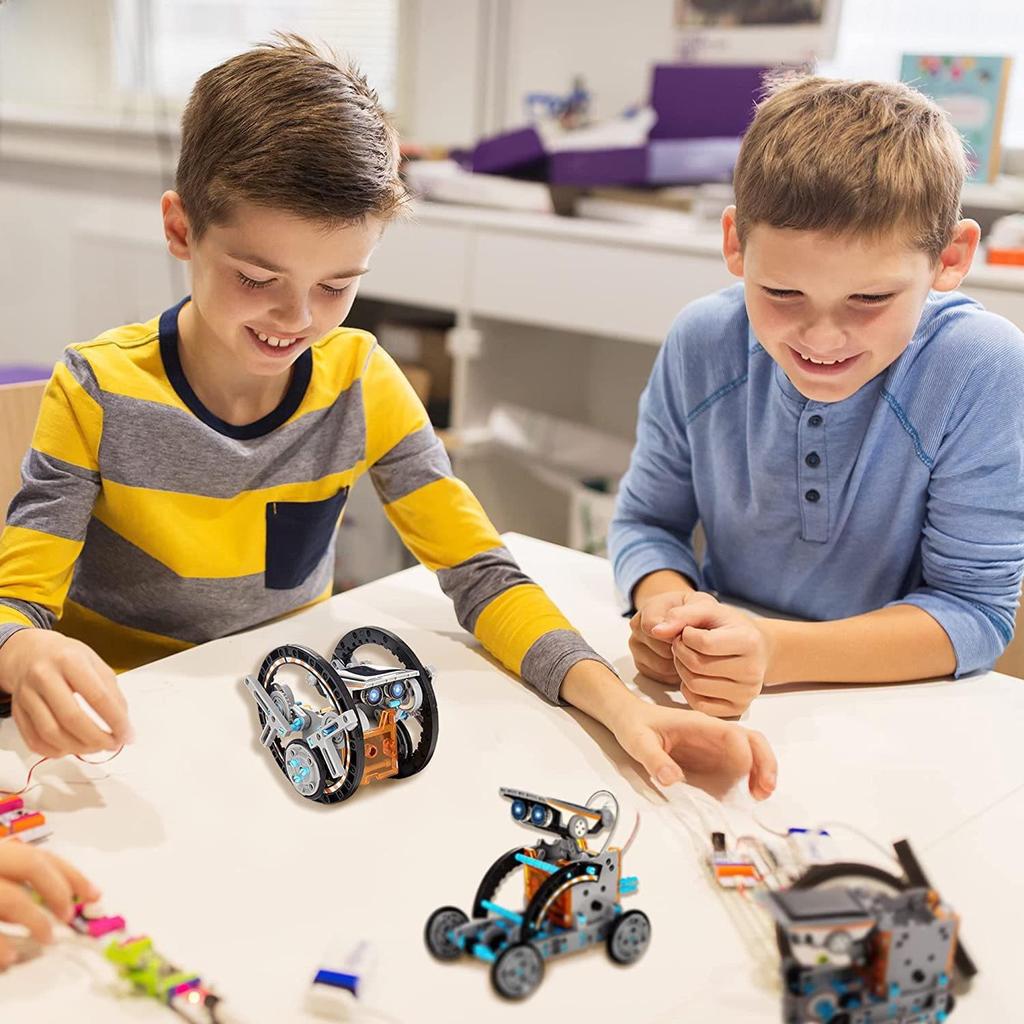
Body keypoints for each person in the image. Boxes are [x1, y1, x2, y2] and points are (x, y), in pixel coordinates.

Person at [0, 36, 775, 799]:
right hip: (128, 737)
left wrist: (624, 708)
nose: (297, 319)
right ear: (180, 230)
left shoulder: (360, 379)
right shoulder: (97, 390)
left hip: (290, 723)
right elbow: (14, 608)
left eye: (337, 286)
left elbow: (481, 573)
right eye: (257, 278)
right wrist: (24, 651)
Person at [611, 75, 1024, 718]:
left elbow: (974, 610)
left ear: (950, 257)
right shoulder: (703, 341)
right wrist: (665, 608)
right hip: (727, 699)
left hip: (900, 712)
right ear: (735, 244)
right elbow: (647, 523)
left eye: (870, 298)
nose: (822, 338)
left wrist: (775, 651)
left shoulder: (979, 367)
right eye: (783, 293)